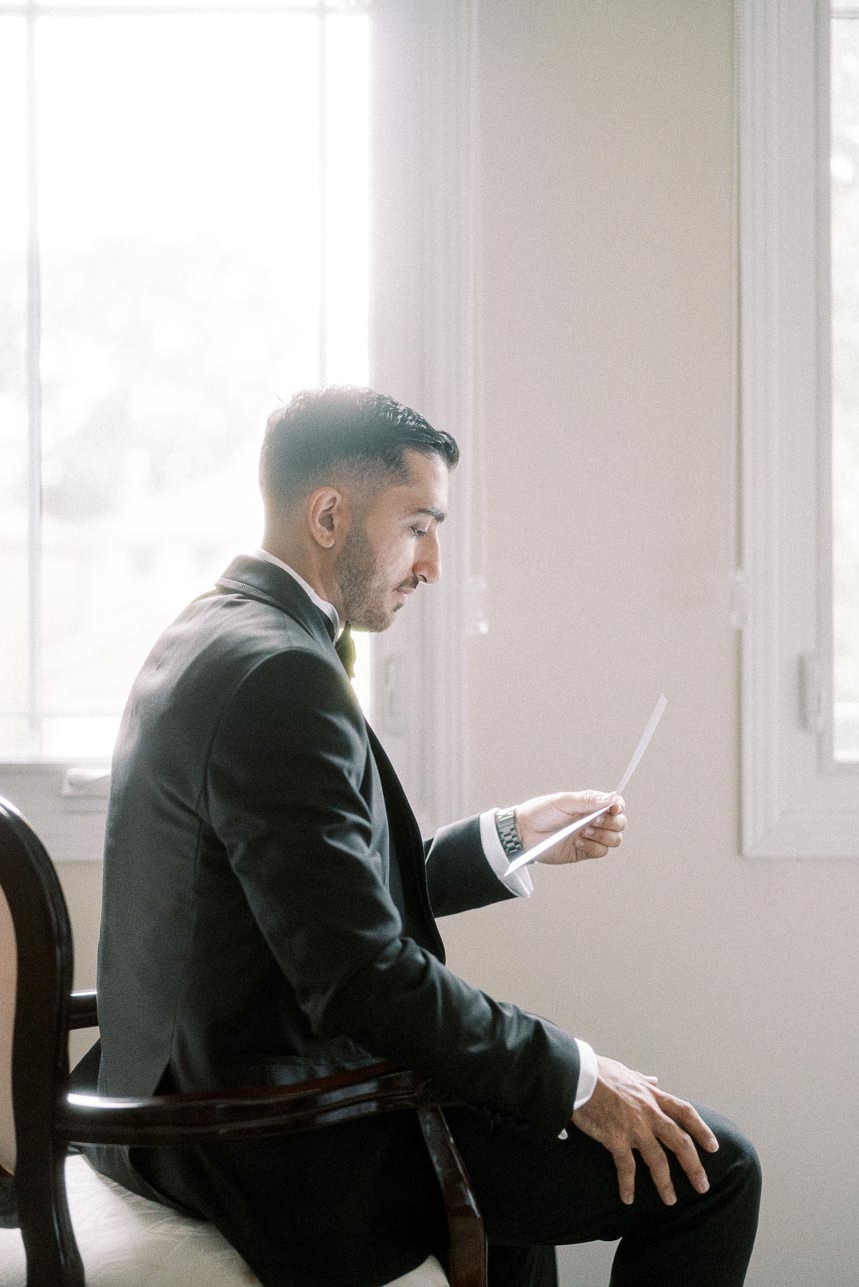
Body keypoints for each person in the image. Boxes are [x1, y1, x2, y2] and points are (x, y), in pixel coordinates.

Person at [80, 387, 760, 1286]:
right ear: (329, 514)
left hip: (194, 1085)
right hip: (260, 1131)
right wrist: (578, 1076)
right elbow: (362, 977)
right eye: (418, 525)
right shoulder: (282, 672)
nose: (433, 562)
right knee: (715, 1170)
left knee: (521, 1171)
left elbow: (309, 897)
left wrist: (510, 838)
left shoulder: (211, 631)